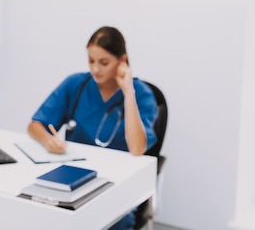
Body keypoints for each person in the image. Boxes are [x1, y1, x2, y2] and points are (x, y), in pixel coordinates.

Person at [27, 26, 157, 230]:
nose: (95, 69)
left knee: (113, 221)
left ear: (122, 61)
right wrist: (48, 140)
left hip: (118, 184)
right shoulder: (75, 84)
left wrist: (128, 92)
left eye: (104, 62)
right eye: (91, 61)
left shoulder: (142, 95)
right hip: (76, 179)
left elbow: (137, 148)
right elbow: (35, 125)